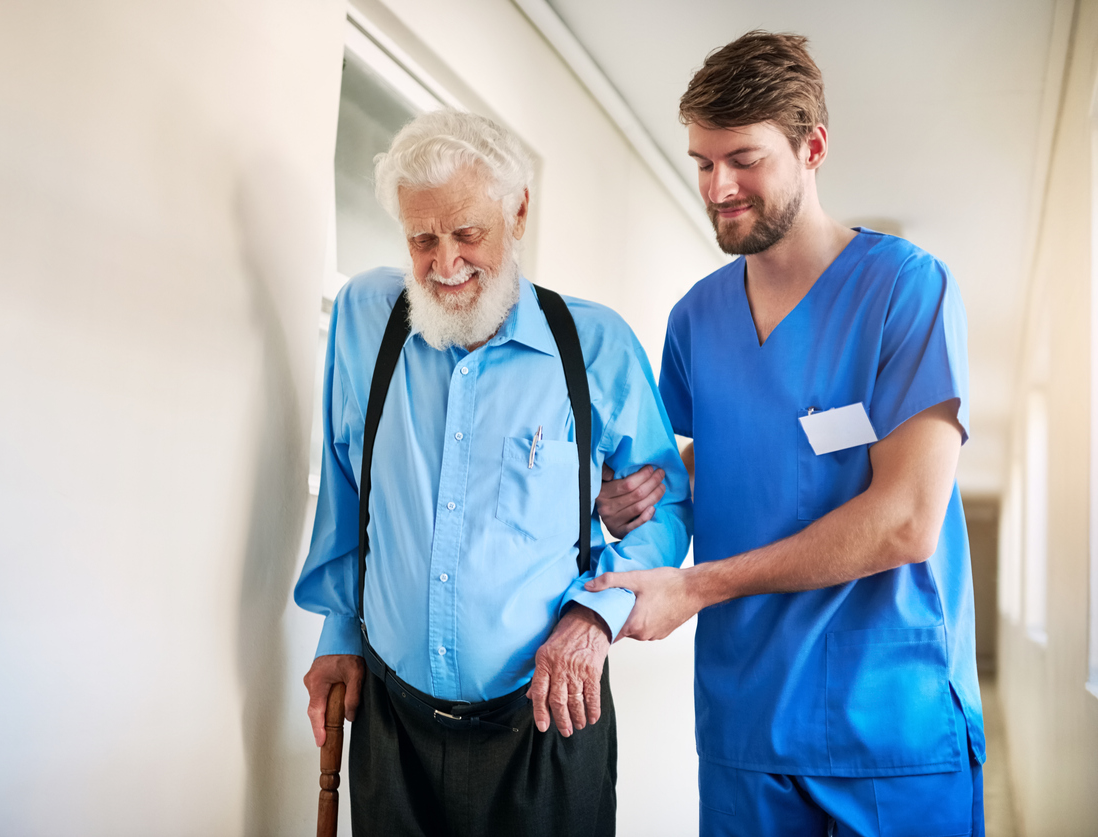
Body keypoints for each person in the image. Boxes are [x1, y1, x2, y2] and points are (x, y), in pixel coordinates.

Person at [591, 31, 986, 836]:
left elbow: (908, 520)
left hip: (890, 722)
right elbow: (726, 454)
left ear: (813, 148)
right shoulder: (697, 319)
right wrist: (626, 498)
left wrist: (694, 587)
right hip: (745, 720)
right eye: (703, 162)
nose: (719, 187)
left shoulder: (905, 290)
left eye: (744, 159)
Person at [294, 108, 691, 836]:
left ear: (518, 213)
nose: (445, 263)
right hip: (392, 720)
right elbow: (348, 490)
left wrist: (594, 615)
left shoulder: (595, 344)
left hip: (546, 721)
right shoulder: (364, 317)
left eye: (467, 233)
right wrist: (339, 629)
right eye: (422, 239)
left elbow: (665, 509)